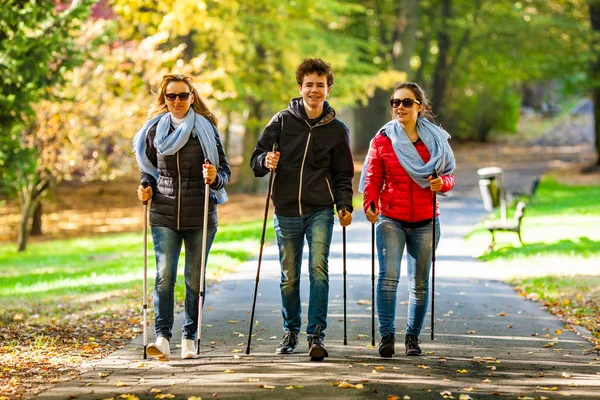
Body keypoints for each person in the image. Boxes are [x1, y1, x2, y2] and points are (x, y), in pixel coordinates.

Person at [250, 58, 354, 361]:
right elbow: (256, 159)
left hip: (321, 208)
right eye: (309, 85)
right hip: (286, 209)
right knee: (289, 275)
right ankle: (291, 330)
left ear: (329, 88)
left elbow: (343, 174)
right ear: (300, 87)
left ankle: (316, 335)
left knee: (318, 271)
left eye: (320, 85)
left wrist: (344, 204)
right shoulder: (281, 121)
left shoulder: (337, 129)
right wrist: (265, 162)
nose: (314, 90)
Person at [133, 74, 231, 361]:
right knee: (164, 276)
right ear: (164, 99)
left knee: (193, 279)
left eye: (182, 96)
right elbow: (148, 170)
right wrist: (145, 187)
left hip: (200, 215)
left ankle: (190, 337)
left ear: (192, 97)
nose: (176, 101)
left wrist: (214, 178)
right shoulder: (153, 131)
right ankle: (162, 338)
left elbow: (224, 172)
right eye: (170, 96)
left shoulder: (206, 129)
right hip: (163, 213)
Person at [360, 82, 455, 358]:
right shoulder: (382, 140)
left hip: (426, 220)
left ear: (420, 107)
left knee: (419, 283)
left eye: (406, 102)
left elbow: (448, 176)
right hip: (391, 218)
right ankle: (387, 336)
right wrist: (370, 203)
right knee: (388, 278)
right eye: (395, 102)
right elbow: (372, 178)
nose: (399, 107)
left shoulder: (435, 141)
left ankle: (412, 337)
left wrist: (442, 183)